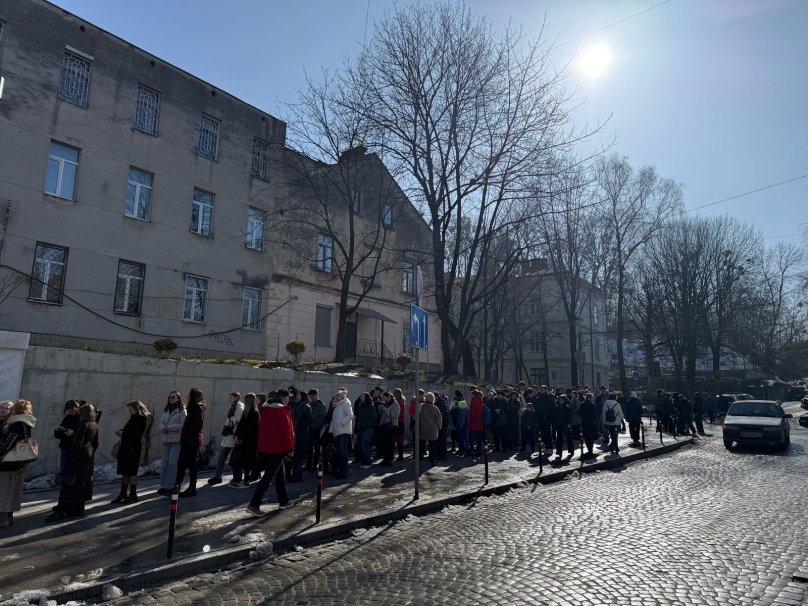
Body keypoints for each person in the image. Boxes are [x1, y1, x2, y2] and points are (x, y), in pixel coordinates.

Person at [245, 389, 295, 517]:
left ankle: (284, 500)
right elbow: (286, 431)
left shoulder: (265, 410)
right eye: (288, 397)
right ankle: (254, 504)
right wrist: (290, 448)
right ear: (284, 398)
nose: (289, 400)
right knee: (268, 477)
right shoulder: (282, 411)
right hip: (277, 449)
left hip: (266, 448)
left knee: (280, 475)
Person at [47, 403, 99, 522]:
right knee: (80, 484)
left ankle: (61, 510)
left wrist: (72, 458)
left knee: (68, 483)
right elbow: (96, 443)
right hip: (87, 458)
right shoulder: (94, 424)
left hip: (78, 458)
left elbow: (77, 443)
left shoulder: (83, 425)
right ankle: (77, 509)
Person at [0, 400, 37, 528]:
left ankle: (3, 519)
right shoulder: (27, 423)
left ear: (15, 410)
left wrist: (1, 454)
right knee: (12, 491)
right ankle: (7, 517)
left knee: (4, 491)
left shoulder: (17, 423)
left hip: (9, 463)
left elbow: (8, 444)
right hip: (19, 463)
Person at [111, 400, 150, 504]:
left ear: (137, 408)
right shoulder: (133, 417)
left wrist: (123, 434)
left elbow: (137, 435)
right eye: (129, 410)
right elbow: (130, 430)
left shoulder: (142, 418)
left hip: (133, 449)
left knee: (132, 472)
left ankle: (133, 494)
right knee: (125, 472)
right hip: (126, 448)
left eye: (131, 409)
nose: (130, 411)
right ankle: (123, 493)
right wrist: (122, 431)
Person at [176, 387, 207, 497]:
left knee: (191, 465)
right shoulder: (193, 407)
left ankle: (192, 488)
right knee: (181, 464)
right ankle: (177, 487)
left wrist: (188, 432)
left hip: (191, 440)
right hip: (187, 440)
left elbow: (198, 424)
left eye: (190, 395)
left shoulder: (197, 408)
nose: (188, 396)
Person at [208, 392, 244, 486]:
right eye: (229, 397)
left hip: (233, 437)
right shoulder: (233, 407)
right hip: (228, 437)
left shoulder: (239, 408)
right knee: (222, 457)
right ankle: (218, 476)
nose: (230, 399)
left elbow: (240, 423)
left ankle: (234, 478)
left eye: (231, 397)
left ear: (236, 398)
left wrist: (233, 431)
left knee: (233, 459)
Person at [157, 391, 186, 496]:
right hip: (166, 439)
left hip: (176, 440)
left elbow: (183, 425)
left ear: (178, 398)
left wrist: (169, 428)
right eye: (169, 397)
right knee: (164, 463)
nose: (171, 399)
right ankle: (163, 485)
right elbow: (161, 422)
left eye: (173, 397)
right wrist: (162, 428)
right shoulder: (166, 410)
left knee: (172, 463)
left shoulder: (182, 411)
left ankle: (170, 486)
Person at [231, 392, 260, 488]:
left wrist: (239, 437)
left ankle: (245, 481)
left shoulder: (251, 412)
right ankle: (244, 480)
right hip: (248, 440)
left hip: (248, 441)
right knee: (245, 461)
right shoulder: (252, 412)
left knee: (245, 461)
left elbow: (246, 427)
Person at [53, 400, 81, 485]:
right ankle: (64, 483)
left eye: (72, 410)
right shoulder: (67, 418)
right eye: (68, 411)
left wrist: (73, 433)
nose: (70, 412)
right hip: (65, 446)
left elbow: (83, 433)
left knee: (73, 469)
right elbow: (58, 434)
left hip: (75, 448)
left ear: (77, 409)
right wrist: (59, 431)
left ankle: (70, 485)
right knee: (64, 468)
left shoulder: (81, 418)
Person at [288, 387, 312, 481]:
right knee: (294, 456)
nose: (296, 396)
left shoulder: (306, 407)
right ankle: (294, 475)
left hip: (301, 435)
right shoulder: (295, 405)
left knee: (297, 457)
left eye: (298, 395)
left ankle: (297, 476)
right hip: (295, 434)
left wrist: (299, 423)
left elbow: (309, 420)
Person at [329, 390, 354, 479]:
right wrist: (331, 431)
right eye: (335, 397)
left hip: (343, 432)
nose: (335, 398)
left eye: (337, 396)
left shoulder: (346, 403)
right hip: (338, 432)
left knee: (343, 453)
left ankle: (343, 472)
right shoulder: (339, 405)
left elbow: (350, 415)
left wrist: (342, 423)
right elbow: (333, 420)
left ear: (341, 397)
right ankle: (340, 471)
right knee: (339, 453)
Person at [305, 389, 327, 471]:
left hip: (316, 429)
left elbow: (322, 419)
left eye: (313, 396)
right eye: (310, 397)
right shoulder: (310, 404)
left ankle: (314, 465)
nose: (312, 398)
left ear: (317, 395)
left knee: (316, 448)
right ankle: (308, 464)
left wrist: (314, 425)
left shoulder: (322, 405)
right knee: (309, 448)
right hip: (310, 429)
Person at [418, 392, 443, 467]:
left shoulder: (421, 406)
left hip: (422, 429)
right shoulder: (435, 408)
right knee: (432, 447)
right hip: (433, 430)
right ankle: (432, 462)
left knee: (421, 446)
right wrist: (439, 427)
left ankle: (419, 460)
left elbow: (417, 416)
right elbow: (439, 419)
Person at [354, 392, 377, 469]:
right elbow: (358, 418)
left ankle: (368, 463)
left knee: (365, 446)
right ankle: (364, 462)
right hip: (361, 429)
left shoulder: (371, 406)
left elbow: (373, 419)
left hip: (367, 429)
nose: (361, 399)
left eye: (363, 397)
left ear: (366, 398)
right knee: (360, 446)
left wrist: (365, 425)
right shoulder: (361, 406)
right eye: (361, 397)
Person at [376, 392, 398, 466]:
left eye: (386, 398)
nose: (385, 399)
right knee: (384, 444)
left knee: (389, 444)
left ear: (390, 397)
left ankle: (388, 460)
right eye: (384, 398)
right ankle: (386, 459)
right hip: (384, 426)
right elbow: (382, 415)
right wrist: (380, 410)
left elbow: (395, 415)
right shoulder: (386, 403)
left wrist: (386, 410)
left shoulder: (395, 404)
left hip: (391, 426)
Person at [579, 392, 599, 459]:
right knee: (591, 437)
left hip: (584, 422)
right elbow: (596, 415)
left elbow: (579, 413)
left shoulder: (582, 404)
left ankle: (589, 449)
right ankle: (591, 450)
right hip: (592, 423)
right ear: (591, 398)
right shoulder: (593, 405)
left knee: (587, 437)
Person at [468, 389, 485, 456]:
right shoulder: (480, 400)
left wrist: (469, 419)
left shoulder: (474, 400)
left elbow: (472, 411)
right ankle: (479, 450)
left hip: (474, 421)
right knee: (478, 437)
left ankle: (472, 450)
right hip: (479, 421)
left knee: (471, 437)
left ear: (473, 394)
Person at [393, 388, 406, 461]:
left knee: (399, 440)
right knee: (399, 440)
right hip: (400, 422)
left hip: (398, 423)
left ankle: (400, 456)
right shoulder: (401, 401)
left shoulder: (399, 402)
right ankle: (400, 455)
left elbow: (399, 414)